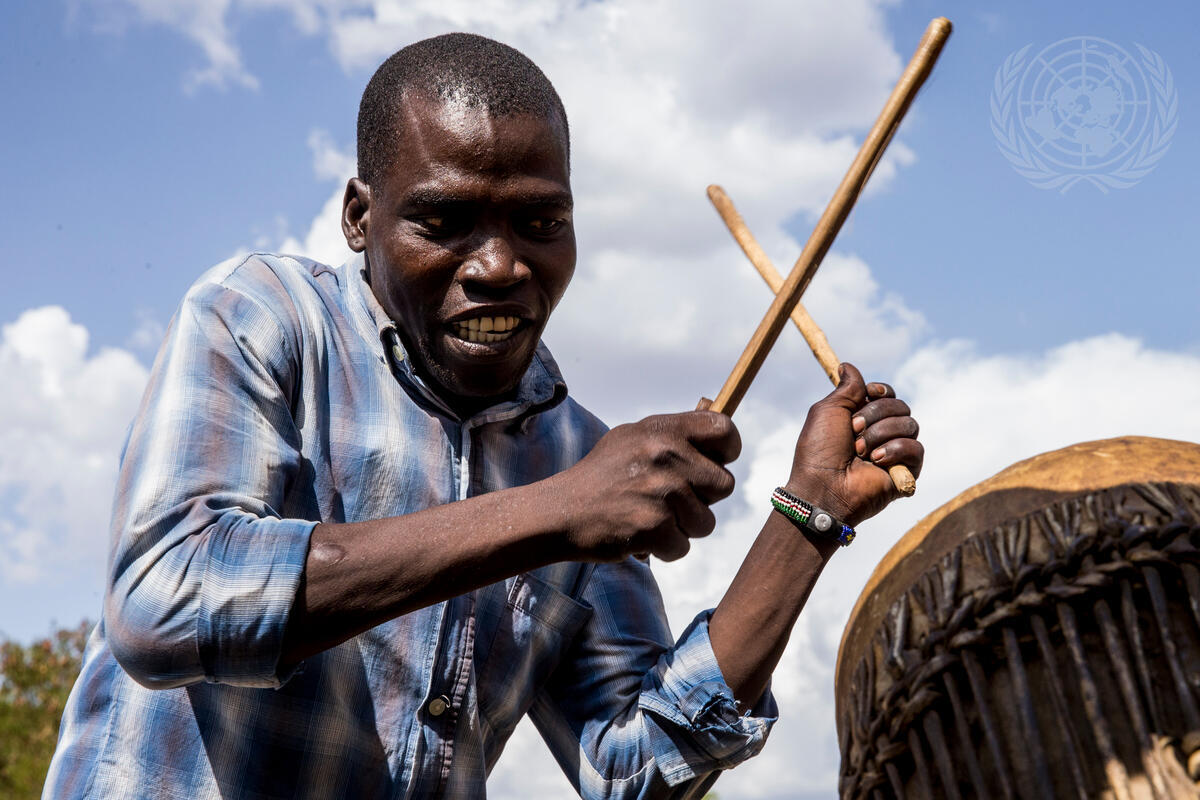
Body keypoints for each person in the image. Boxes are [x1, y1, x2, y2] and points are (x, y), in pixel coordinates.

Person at [43, 32, 923, 799]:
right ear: (360, 217)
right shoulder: (265, 318)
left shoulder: (578, 454)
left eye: (541, 220)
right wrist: (555, 514)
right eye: (445, 220)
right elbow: (165, 599)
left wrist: (809, 517)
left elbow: (634, 770)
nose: (499, 266)